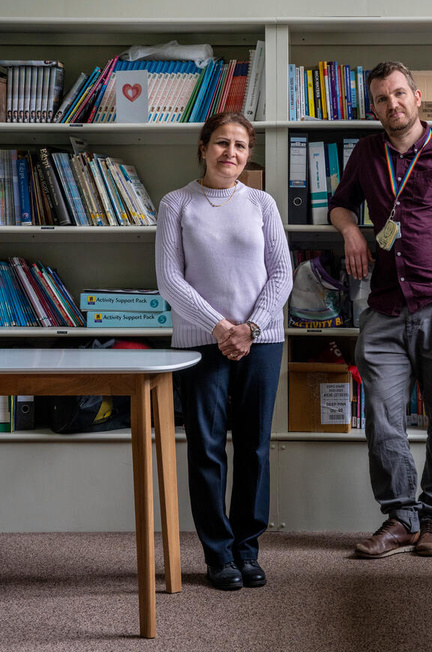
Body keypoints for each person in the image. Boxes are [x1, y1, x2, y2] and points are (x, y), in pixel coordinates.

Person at [329, 61, 432, 558]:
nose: (392, 105)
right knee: (382, 420)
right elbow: (339, 204)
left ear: (418, 97)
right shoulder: (366, 153)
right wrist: (350, 229)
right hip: (383, 311)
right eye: (382, 99)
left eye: (399, 94)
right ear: (374, 107)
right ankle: (401, 517)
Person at [155, 112, 293, 590]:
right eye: (220, 143)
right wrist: (220, 328)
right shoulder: (177, 204)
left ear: (247, 153)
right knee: (208, 449)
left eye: (238, 145)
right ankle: (218, 555)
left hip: (262, 341)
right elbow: (170, 281)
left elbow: (282, 274)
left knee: (254, 448)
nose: (229, 153)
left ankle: (247, 550)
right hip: (201, 344)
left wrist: (249, 328)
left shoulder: (262, 203)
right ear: (203, 147)